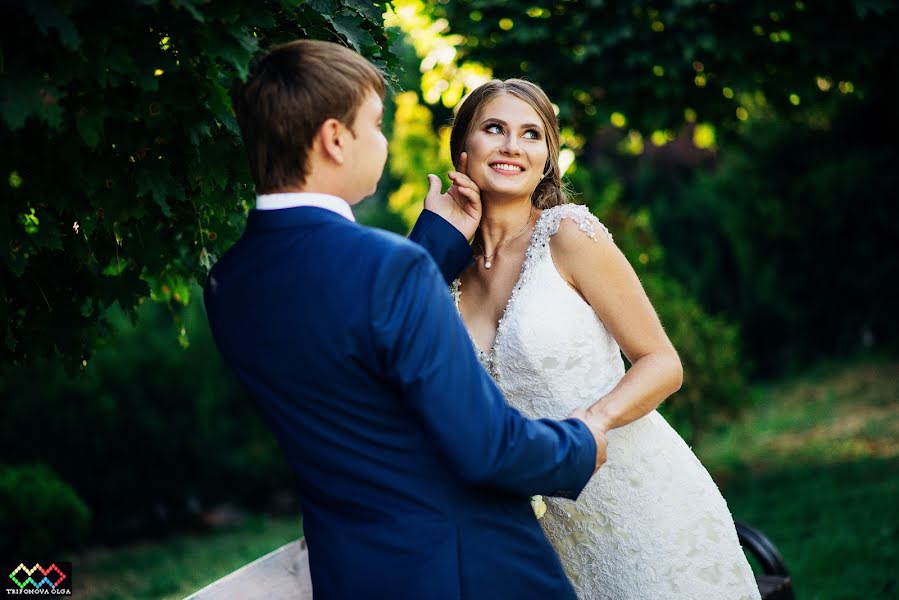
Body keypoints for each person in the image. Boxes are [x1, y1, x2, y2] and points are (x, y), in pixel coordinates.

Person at [203, 40, 609, 599]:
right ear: (334, 140)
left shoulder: (230, 282)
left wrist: (435, 242)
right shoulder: (387, 268)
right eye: (374, 124)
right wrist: (581, 443)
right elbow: (487, 446)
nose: (383, 141)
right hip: (469, 567)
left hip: (350, 568)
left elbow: (351, 350)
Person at [445, 78, 761, 600]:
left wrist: (591, 424)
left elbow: (662, 361)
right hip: (542, 536)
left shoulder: (569, 236)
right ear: (464, 147)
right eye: (494, 129)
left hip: (639, 504)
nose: (510, 146)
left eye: (530, 135)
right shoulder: (447, 270)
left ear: (547, 158)